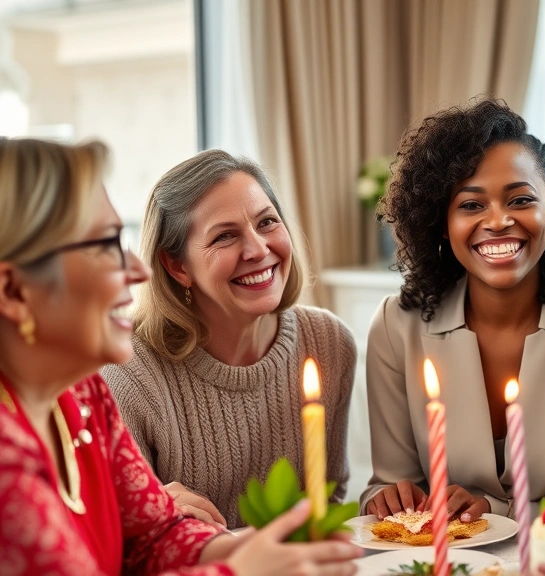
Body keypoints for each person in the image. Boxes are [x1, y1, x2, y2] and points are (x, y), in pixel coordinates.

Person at [0, 137, 361, 575]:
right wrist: (244, 570)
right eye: (102, 247)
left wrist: (252, 545)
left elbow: (153, 535)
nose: (137, 271)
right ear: (14, 291)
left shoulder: (83, 395)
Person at [361, 98, 545, 523]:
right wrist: (386, 498)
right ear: (442, 222)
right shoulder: (396, 328)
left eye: (519, 200)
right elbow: (394, 484)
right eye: (471, 205)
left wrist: (493, 512)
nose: (497, 221)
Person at [102, 150, 356, 529]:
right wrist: (148, 513)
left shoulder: (328, 342)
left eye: (267, 222)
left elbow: (329, 496)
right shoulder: (128, 373)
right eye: (225, 236)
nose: (258, 249)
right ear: (177, 266)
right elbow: (121, 539)